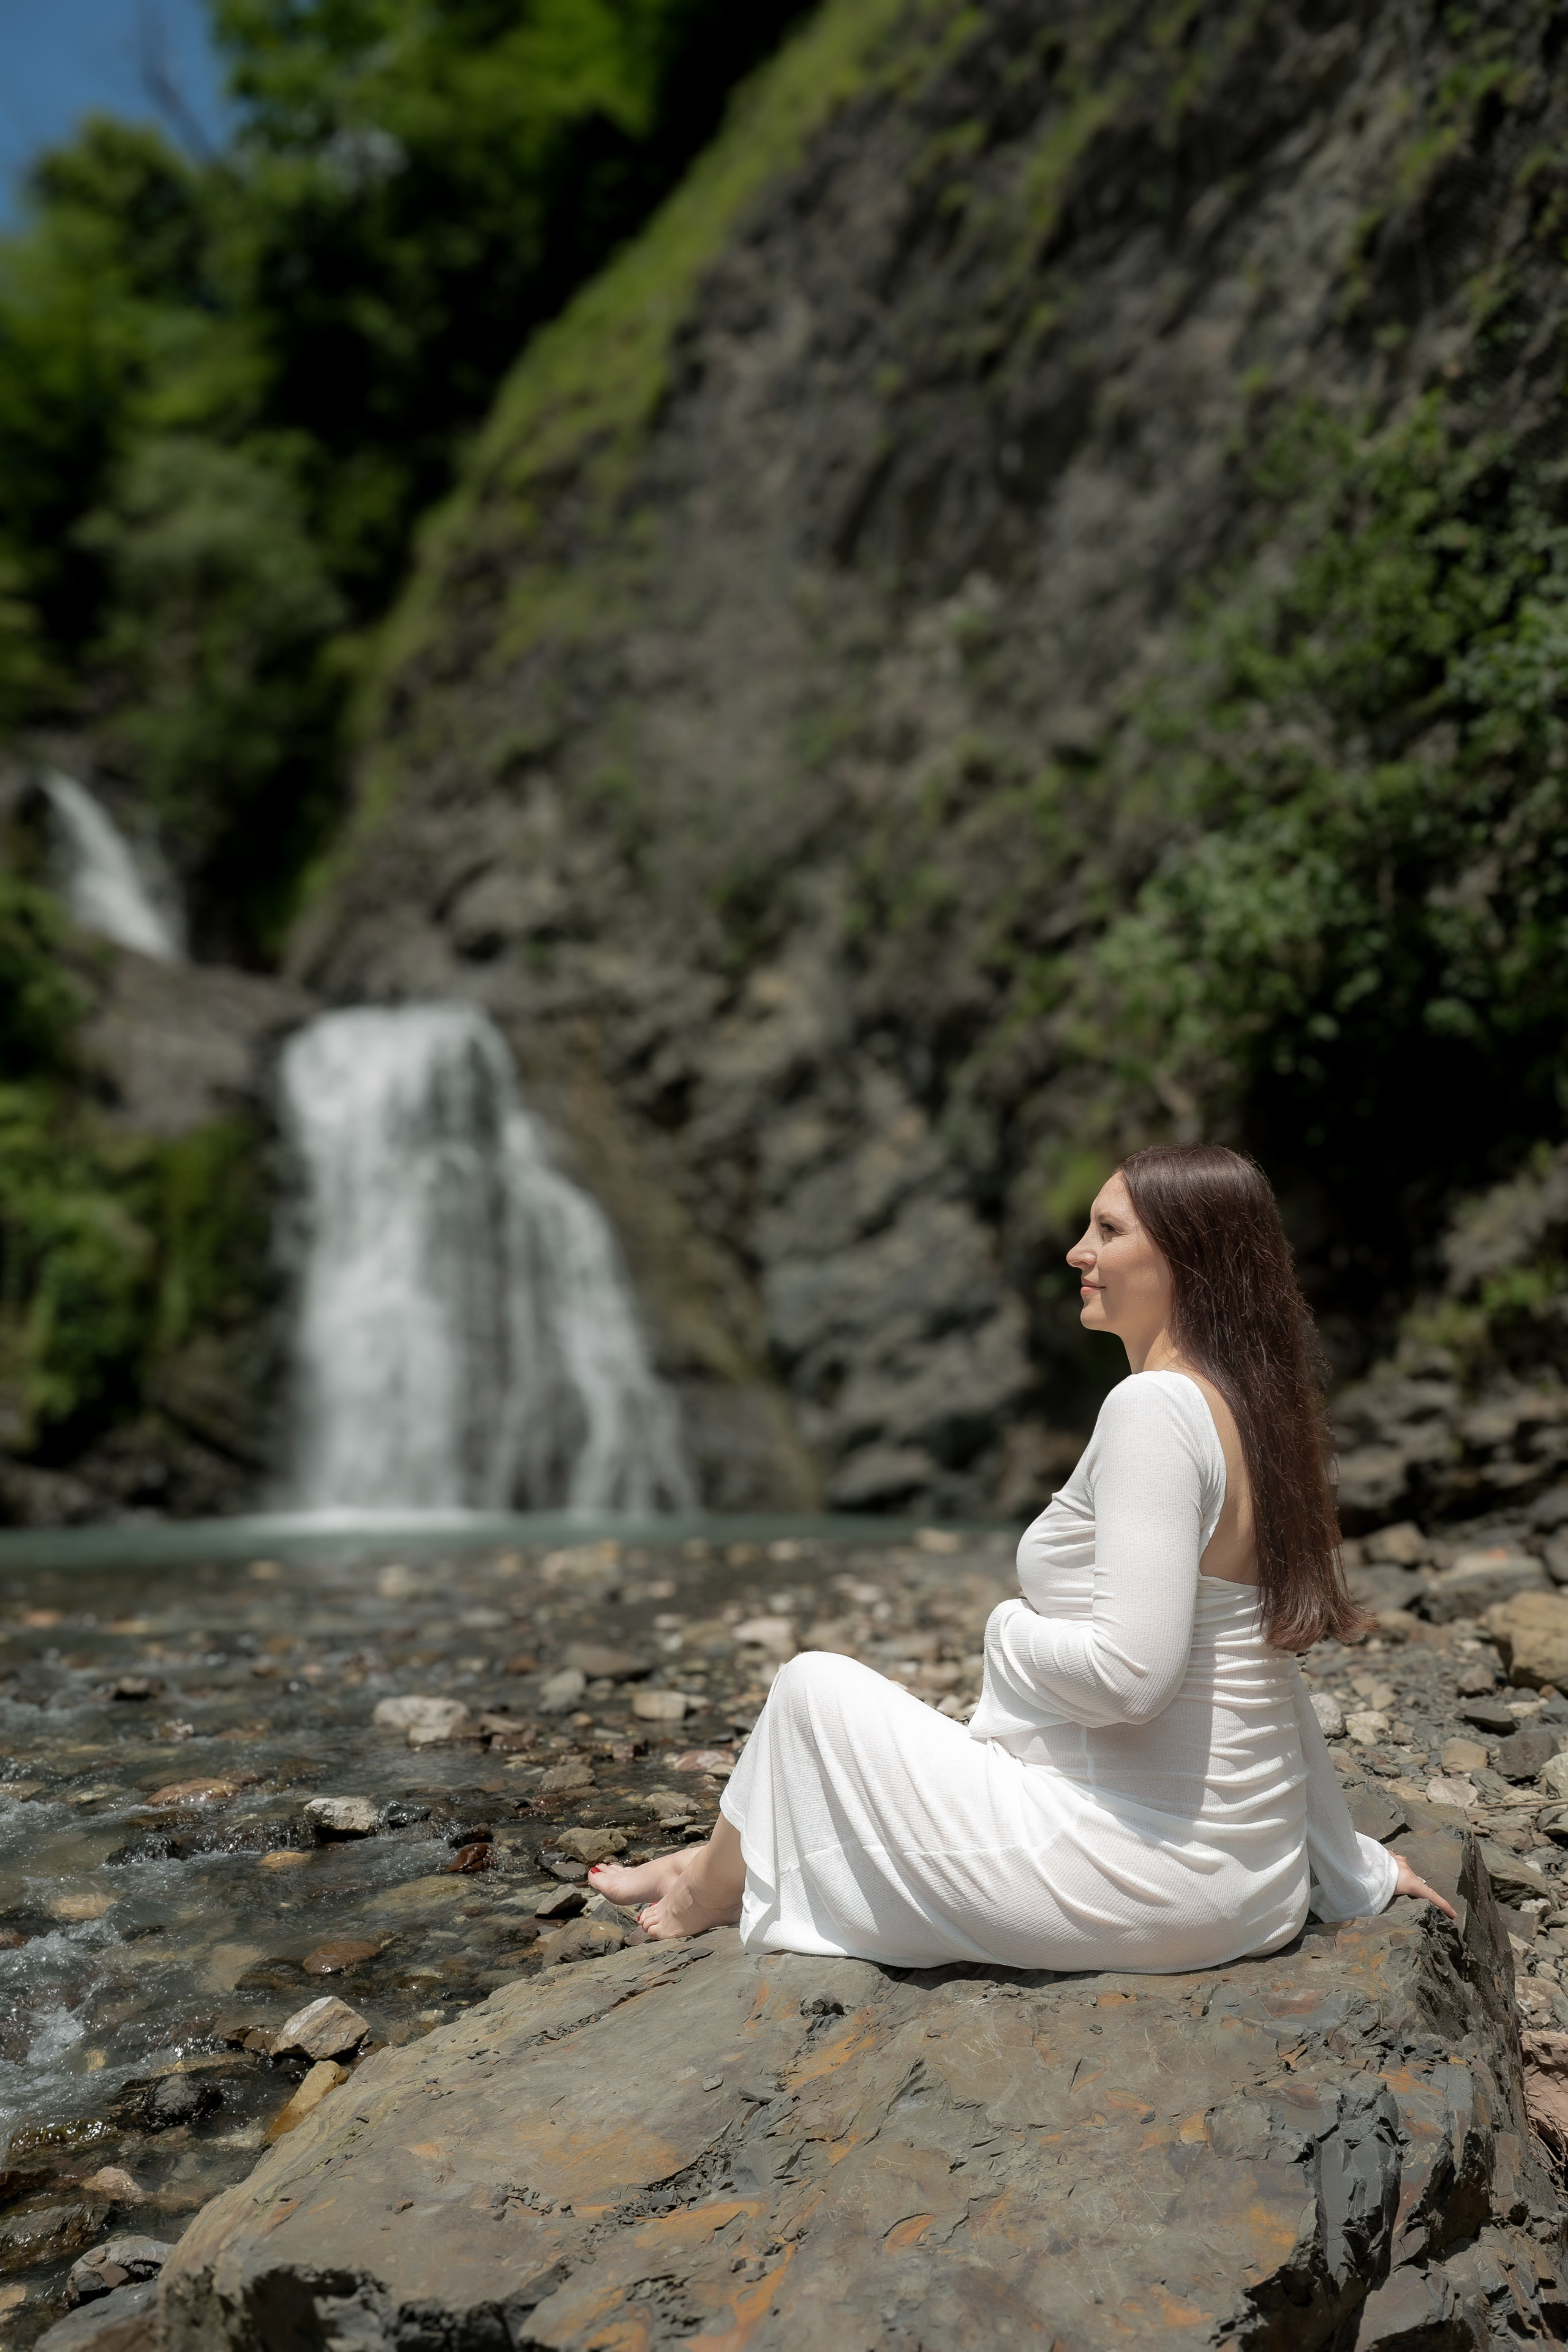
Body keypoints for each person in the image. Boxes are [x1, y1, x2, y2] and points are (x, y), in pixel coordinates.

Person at [592, 1143, 1454, 1959]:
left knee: (809, 1690)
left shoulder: (1155, 1409)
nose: (1078, 1252)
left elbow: (1131, 1677)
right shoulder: (1250, 1410)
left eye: (1109, 1232)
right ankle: (713, 1867)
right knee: (831, 1720)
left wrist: (1006, 1632)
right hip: (1247, 1887)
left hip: (1148, 1887)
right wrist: (1352, 1873)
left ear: (1193, 1260)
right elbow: (1264, 1667)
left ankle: (708, 1887)